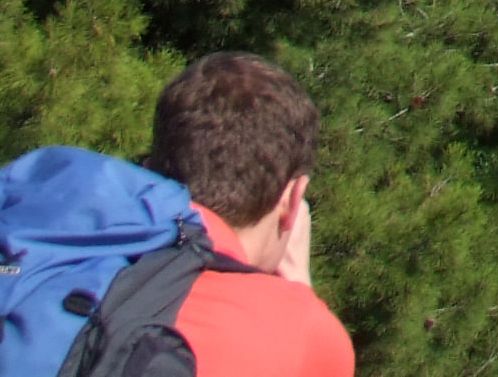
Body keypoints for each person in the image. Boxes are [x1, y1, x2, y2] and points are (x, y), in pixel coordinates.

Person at [137, 55, 354, 377]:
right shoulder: (306, 336)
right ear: (292, 201)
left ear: (148, 171)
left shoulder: (81, 255)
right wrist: (300, 293)